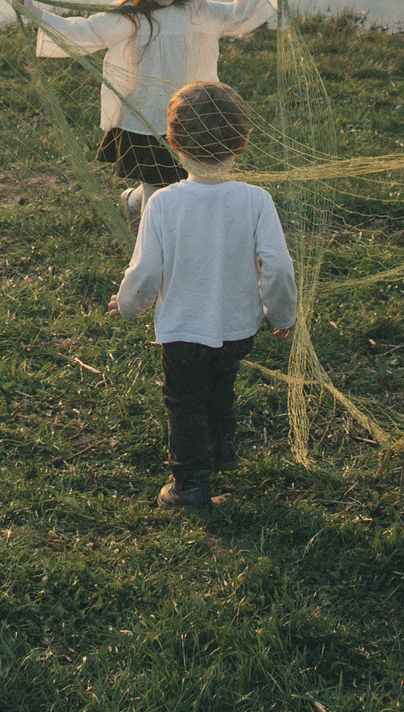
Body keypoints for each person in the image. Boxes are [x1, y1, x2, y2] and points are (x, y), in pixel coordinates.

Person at [108, 81, 299, 513]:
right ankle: (220, 445)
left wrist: (128, 305)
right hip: (238, 328)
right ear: (243, 142)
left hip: (182, 332)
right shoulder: (257, 200)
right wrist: (281, 314)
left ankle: (190, 485)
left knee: (184, 402)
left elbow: (146, 270)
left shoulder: (162, 204)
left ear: (173, 143)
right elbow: (279, 267)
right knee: (221, 381)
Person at [12, 0, 279, 211]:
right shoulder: (129, 15)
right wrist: (35, 13)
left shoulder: (197, 10)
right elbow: (85, 31)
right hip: (145, 120)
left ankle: (132, 200)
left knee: (186, 181)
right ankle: (147, 231)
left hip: (192, 117)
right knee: (155, 185)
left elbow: (238, 14)